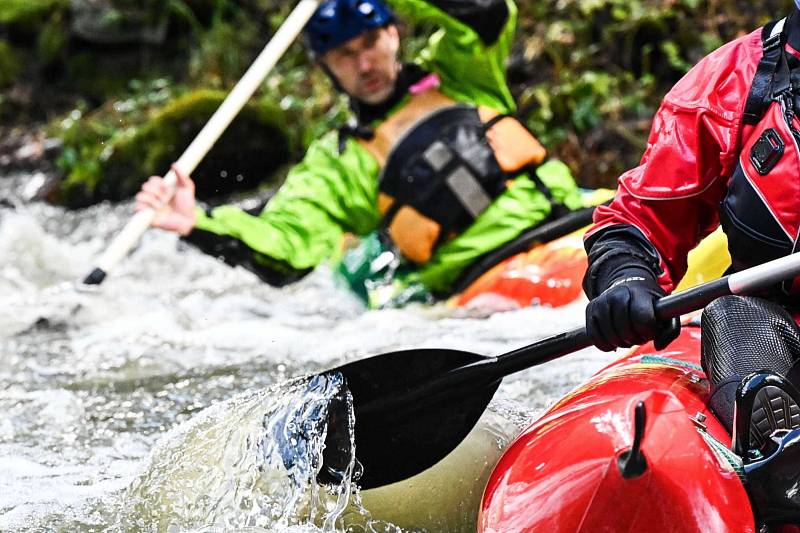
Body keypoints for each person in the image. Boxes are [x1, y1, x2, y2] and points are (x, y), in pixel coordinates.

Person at [135, 0, 582, 307]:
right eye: (345, 55)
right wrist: (197, 223)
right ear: (324, 66)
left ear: (393, 32)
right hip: (488, 281)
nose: (364, 64)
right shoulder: (336, 163)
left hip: (582, 227)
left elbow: (485, 11)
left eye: (370, 43)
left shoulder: (462, 75)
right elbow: (288, 247)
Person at [583, 3, 800, 524]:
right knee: (733, 316)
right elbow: (636, 220)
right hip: (784, 337)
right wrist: (627, 276)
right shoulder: (733, 84)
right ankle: (781, 456)